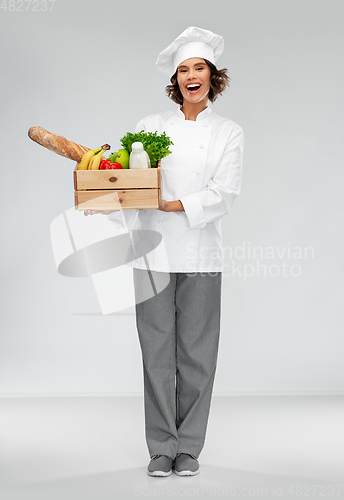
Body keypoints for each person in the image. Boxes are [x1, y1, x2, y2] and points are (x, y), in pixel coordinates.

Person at [85, 26, 244, 477]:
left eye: (200, 68)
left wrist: (174, 204)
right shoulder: (149, 127)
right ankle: (161, 446)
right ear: (175, 81)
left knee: (197, 353)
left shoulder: (228, 133)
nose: (192, 76)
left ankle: (189, 445)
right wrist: (108, 203)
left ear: (214, 77)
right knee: (155, 351)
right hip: (151, 254)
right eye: (184, 70)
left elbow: (225, 192)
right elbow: (133, 186)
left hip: (201, 254)